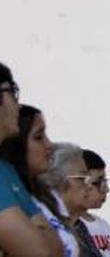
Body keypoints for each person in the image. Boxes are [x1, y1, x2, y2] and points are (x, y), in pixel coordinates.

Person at [0, 63, 63, 257]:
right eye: (13, 91)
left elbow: (56, 249)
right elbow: (40, 252)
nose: (18, 105)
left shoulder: (6, 171)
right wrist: (38, 229)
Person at [0, 107, 77, 257]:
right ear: (17, 146)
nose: (50, 145)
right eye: (39, 137)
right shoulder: (8, 195)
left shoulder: (47, 197)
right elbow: (42, 251)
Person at [38, 144, 99, 257]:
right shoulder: (41, 224)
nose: (89, 186)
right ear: (56, 180)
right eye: (82, 178)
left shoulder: (79, 226)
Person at [77, 151, 110, 257]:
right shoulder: (62, 225)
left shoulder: (104, 226)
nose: (106, 189)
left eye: (105, 182)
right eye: (99, 182)